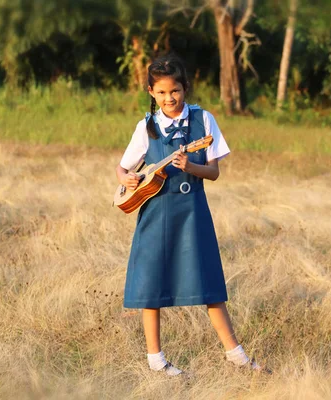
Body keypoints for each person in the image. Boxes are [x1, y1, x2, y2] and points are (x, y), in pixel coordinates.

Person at [115, 54, 262, 376]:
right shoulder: (147, 126)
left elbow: (213, 172)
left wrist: (190, 166)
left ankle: (235, 354)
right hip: (155, 212)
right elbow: (124, 167)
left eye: (176, 91)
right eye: (163, 92)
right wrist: (125, 178)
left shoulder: (203, 120)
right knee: (151, 285)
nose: (170, 98)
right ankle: (156, 360)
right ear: (151, 92)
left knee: (208, 282)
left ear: (185, 89)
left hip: (192, 210)